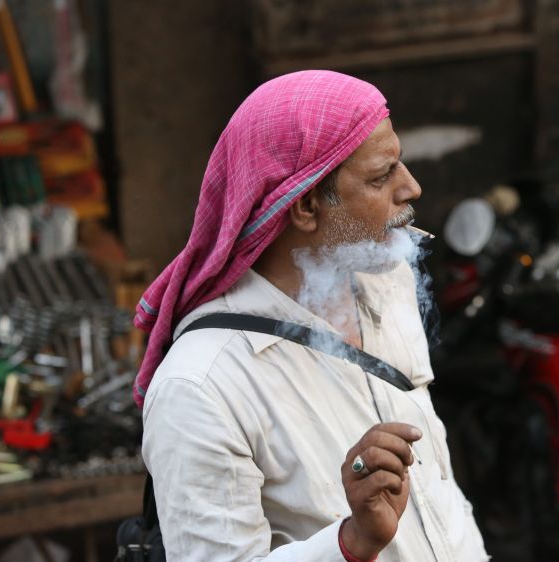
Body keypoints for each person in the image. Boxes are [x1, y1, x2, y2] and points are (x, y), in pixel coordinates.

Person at [136, 70, 489, 561]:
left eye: (400, 164)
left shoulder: (386, 285)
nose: (411, 187)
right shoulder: (201, 385)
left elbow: (437, 485)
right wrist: (351, 543)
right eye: (381, 176)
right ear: (304, 206)